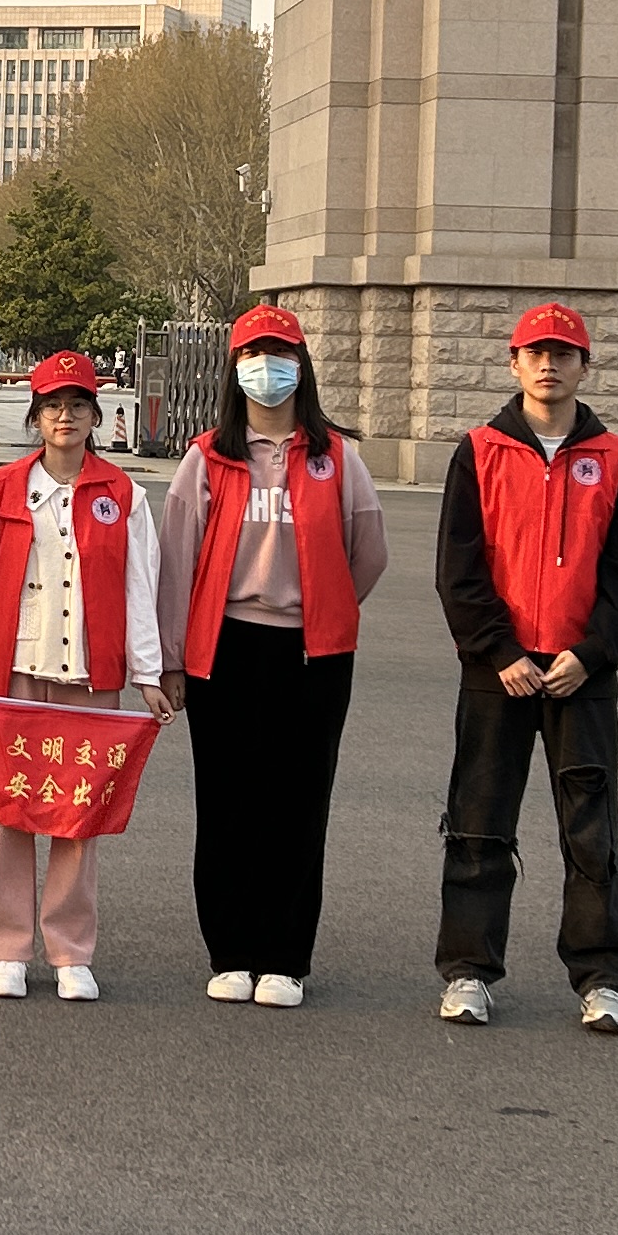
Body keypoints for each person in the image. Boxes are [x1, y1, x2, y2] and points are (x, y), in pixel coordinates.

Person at [154, 306, 389, 1009]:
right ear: (235, 368)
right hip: (226, 648)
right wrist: (171, 660)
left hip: (312, 654)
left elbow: (368, 553)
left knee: (298, 803)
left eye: (281, 353)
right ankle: (231, 951)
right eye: (253, 354)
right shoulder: (208, 458)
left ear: (302, 366)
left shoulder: (336, 458)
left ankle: (285, 957)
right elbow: (176, 564)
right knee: (227, 801)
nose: (267, 367)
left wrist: (326, 604)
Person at [432, 303, 618, 1036]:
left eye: (563, 353)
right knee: (478, 822)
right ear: (514, 362)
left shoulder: (615, 459)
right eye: (535, 352)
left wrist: (590, 655)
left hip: (579, 676)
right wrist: (499, 651)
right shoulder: (480, 451)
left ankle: (605, 978)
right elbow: (459, 569)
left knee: (591, 832)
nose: (549, 364)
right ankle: (468, 971)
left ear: (585, 365)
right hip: (497, 673)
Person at [0, 351, 171, 1002]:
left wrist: (148, 673)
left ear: (95, 415)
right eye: (53, 406)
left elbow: (140, 587)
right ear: (36, 416)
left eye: (78, 405)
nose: (66, 416)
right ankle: (7, 947)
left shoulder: (124, 497)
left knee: (78, 812)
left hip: (91, 676)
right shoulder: (2, 490)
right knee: (11, 812)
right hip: (14, 670)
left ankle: (70, 950)